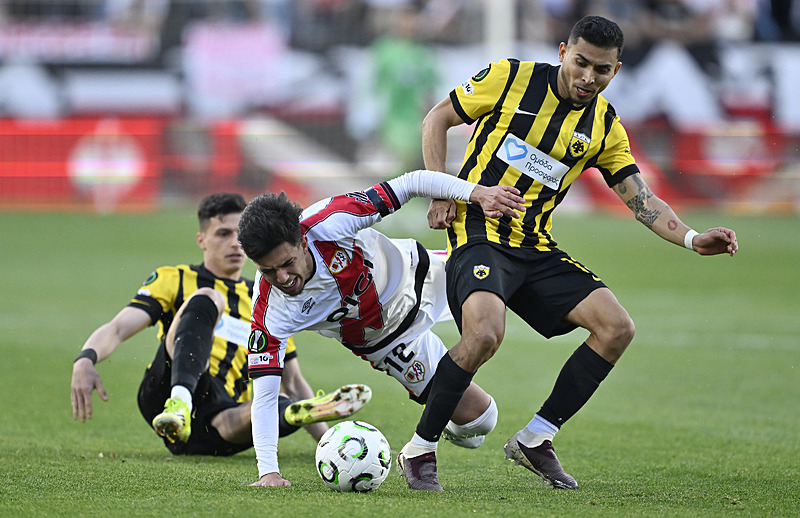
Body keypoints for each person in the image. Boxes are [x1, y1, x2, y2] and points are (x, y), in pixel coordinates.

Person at [398, 15, 739, 491]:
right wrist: (440, 190)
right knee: (485, 333)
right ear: (563, 51)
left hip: (535, 247)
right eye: (580, 63)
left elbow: (640, 198)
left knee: (616, 327)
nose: (587, 78)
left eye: (601, 70)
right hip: (478, 232)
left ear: (615, 72)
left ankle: (536, 438)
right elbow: (437, 117)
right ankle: (420, 449)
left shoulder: (603, 124)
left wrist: (690, 237)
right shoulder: (510, 78)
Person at [237, 169, 526, 487]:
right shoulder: (269, 311)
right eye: (268, 271)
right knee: (480, 422)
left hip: (423, 277)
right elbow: (264, 396)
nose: (282, 279)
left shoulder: (332, 220)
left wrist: (477, 193)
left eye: (287, 263)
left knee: (519, 281)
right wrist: (269, 472)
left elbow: (412, 182)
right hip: (387, 342)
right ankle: (443, 415)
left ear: (303, 242)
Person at [70, 192, 371, 456]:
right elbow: (118, 327)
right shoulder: (174, 278)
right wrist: (86, 358)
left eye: (239, 236)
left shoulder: (268, 299)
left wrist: (329, 442)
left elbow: (291, 380)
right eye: (223, 234)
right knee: (208, 298)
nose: (234, 245)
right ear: (201, 239)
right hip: (163, 397)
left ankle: (293, 414)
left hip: (219, 423)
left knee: (274, 401)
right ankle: (180, 402)